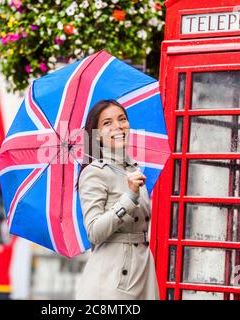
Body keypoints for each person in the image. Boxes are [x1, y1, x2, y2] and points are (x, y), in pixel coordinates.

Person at [75, 99, 159, 300]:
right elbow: (94, 232)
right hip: (113, 278)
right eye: (107, 123)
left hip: (143, 270)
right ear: (97, 136)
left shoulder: (133, 169)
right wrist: (129, 197)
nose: (118, 126)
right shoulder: (95, 173)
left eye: (122, 119)